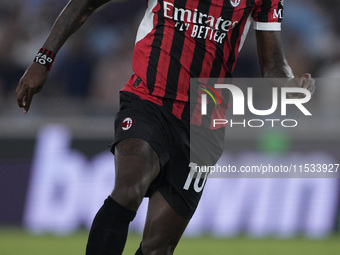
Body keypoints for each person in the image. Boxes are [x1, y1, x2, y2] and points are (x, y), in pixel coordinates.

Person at [16, 0, 315, 254]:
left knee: (158, 246)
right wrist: (44, 59)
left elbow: (273, 63)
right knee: (129, 189)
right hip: (148, 98)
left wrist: (288, 84)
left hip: (205, 120)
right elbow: (87, 3)